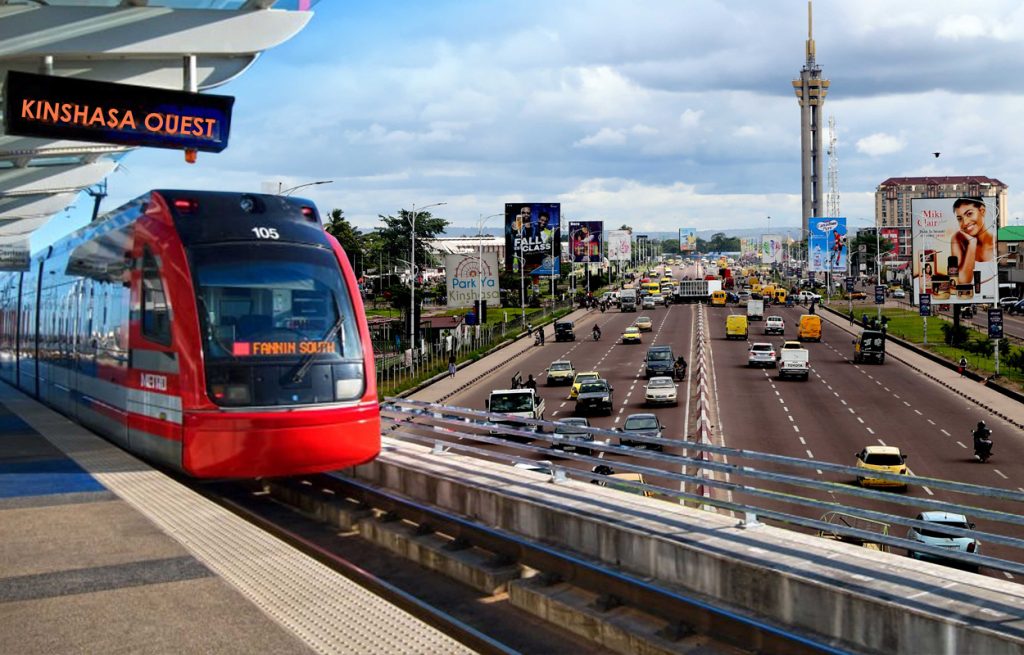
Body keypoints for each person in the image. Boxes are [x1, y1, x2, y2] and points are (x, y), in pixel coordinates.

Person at [950, 197, 995, 286]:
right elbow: (963, 281)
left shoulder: (997, 244)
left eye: (969, 214)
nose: (965, 222)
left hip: (992, 298)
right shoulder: (958, 239)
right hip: (963, 298)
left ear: (982, 211)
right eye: (960, 219)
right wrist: (972, 244)